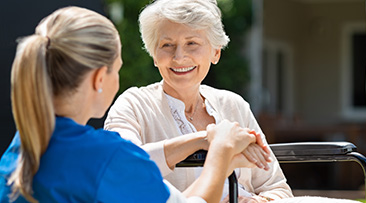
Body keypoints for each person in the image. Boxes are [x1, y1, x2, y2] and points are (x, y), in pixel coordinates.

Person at [0, 6, 269, 203]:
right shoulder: (107, 157)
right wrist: (220, 149)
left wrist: (200, 140)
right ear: (98, 79)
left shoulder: (21, 149)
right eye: (117, 69)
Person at [104, 0, 292, 202]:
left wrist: (254, 201)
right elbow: (121, 165)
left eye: (191, 43)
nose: (179, 57)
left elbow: (276, 187)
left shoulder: (234, 105)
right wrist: (207, 139)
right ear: (154, 55)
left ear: (215, 52)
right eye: (167, 45)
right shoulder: (133, 105)